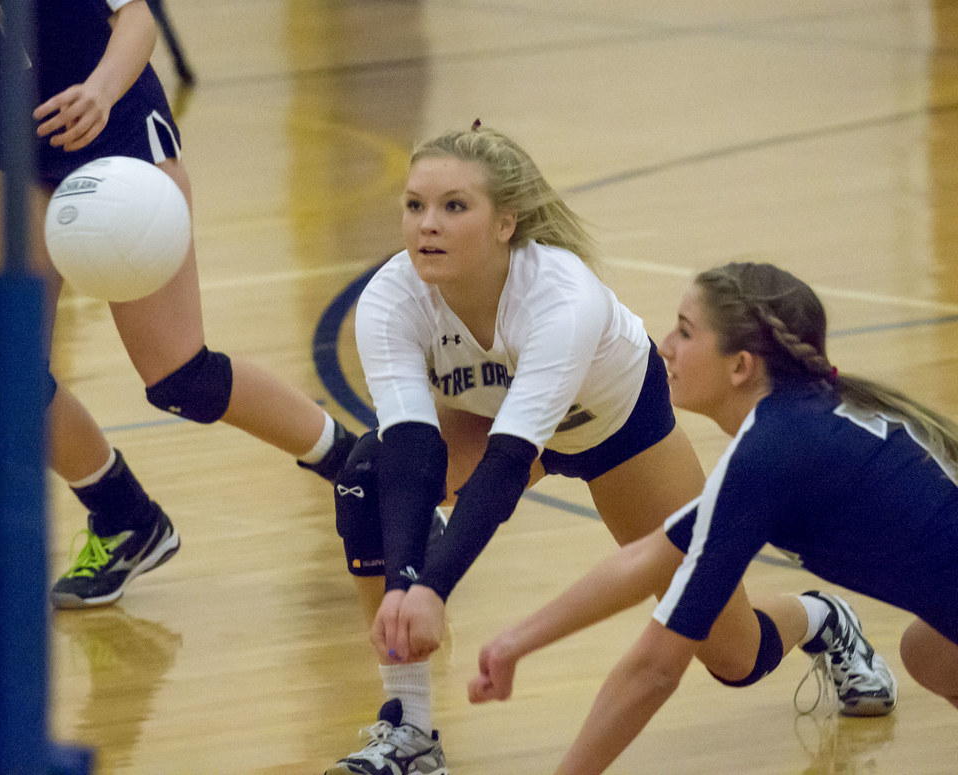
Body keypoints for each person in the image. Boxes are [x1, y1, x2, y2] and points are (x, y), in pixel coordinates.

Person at [323, 127, 895, 775]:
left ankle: (822, 617)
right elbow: (410, 452)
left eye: (455, 206)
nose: (427, 225)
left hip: (617, 431)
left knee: (733, 654)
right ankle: (410, 727)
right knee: (366, 474)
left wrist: (434, 584)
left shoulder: (560, 295)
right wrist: (406, 582)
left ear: (507, 221)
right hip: (489, 422)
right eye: (414, 205)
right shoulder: (390, 298)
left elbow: (509, 464)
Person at [469, 261, 958, 774]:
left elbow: (655, 670)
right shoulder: (798, 425)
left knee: (932, 651)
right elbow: (650, 558)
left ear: (740, 366)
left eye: (685, 331)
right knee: (930, 652)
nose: (664, 346)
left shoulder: (771, 453)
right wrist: (512, 645)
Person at [0, 0, 356, 608]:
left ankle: (363, 473)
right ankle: (126, 521)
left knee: (180, 375)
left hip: (112, 126)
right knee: (5, 377)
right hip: (6, 137)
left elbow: (137, 18)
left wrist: (99, 93)